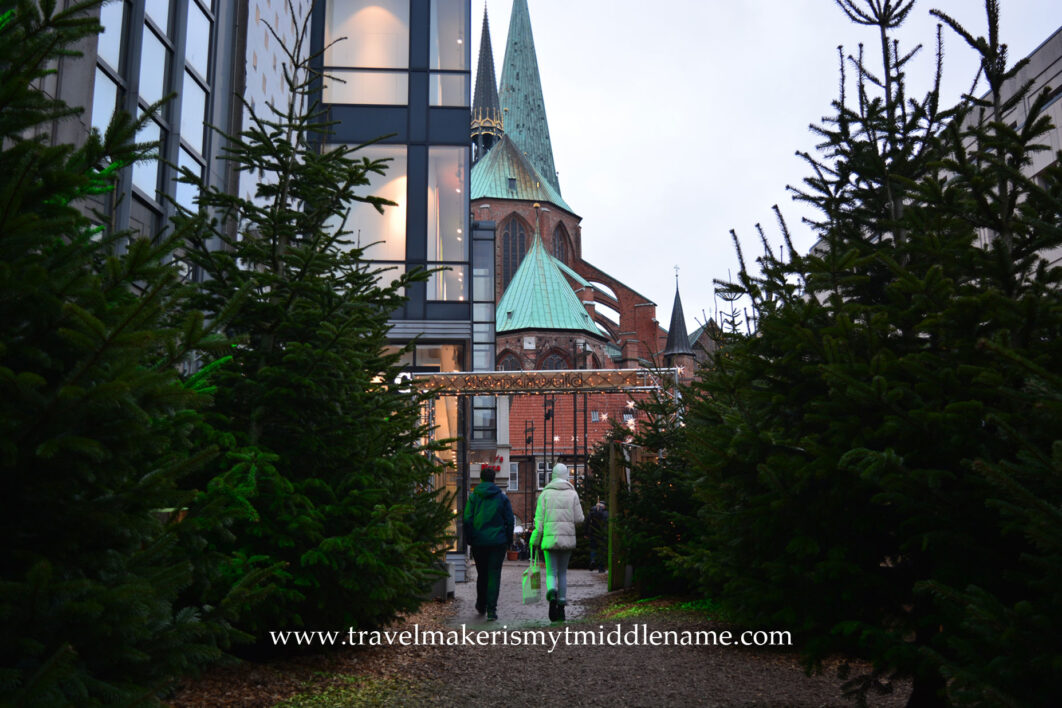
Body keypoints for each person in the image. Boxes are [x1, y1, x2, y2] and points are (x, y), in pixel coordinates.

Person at [530, 463, 584, 622]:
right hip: (567, 538)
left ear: (552, 476)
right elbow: (579, 518)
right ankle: (561, 604)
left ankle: (552, 590)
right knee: (563, 572)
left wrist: (536, 538)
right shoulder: (573, 494)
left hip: (549, 538)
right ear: (566, 476)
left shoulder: (544, 495)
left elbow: (538, 521)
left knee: (551, 571)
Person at [463, 464, 514, 621]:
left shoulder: (474, 497)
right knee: (494, 575)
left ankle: (481, 604)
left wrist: (470, 538)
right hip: (498, 542)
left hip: (479, 542)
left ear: (481, 479)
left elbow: (467, 519)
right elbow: (510, 520)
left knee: (482, 574)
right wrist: (508, 539)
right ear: (494, 479)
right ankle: (492, 610)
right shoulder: (502, 497)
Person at [586, 501, 608, 573]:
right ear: (604, 506)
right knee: (602, 551)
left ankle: (593, 560)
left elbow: (587, 523)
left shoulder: (591, 513)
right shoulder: (606, 513)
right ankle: (601, 568)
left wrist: (586, 533)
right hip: (602, 534)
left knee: (593, 549)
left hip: (593, 533)